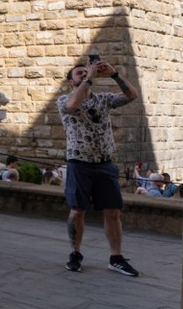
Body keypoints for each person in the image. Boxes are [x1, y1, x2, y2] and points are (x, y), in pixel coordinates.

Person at [59, 56, 140, 276]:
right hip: (79, 163)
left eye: (85, 72)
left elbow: (131, 95)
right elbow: (74, 105)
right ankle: (75, 254)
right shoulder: (64, 100)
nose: (84, 74)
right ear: (70, 82)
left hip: (104, 163)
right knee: (77, 212)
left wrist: (114, 74)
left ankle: (116, 258)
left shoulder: (103, 99)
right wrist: (90, 77)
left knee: (113, 212)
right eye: (79, 74)